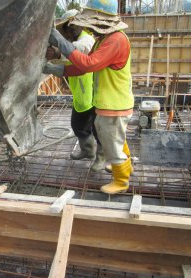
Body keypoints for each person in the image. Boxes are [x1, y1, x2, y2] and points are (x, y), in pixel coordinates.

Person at [43, 0, 134, 194]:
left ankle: (121, 180)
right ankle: (124, 166)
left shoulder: (115, 40)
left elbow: (89, 64)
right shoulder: (104, 39)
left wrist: (61, 43)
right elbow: (80, 67)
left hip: (114, 105)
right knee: (116, 139)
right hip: (109, 103)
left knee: (111, 142)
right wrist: (53, 69)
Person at [45, 9, 106, 171]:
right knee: (78, 124)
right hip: (81, 93)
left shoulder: (87, 39)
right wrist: (52, 65)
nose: (69, 30)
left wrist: (58, 51)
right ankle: (88, 151)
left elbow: (78, 51)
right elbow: (69, 59)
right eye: (66, 27)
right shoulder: (75, 40)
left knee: (97, 128)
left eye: (71, 26)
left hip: (93, 94)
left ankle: (101, 157)